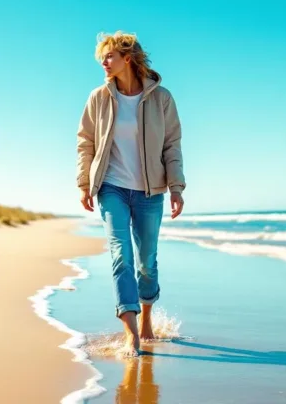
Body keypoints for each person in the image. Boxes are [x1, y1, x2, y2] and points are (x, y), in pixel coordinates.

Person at [75, 31, 186, 357]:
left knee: (146, 263)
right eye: (102, 58)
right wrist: (85, 182)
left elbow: (172, 145)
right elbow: (86, 141)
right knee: (120, 255)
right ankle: (131, 333)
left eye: (109, 56)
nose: (104, 62)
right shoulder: (98, 98)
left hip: (150, 192)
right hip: (112, 188)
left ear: (128, 58)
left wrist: (176, 187)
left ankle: (147, 317)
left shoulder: (161, 98)